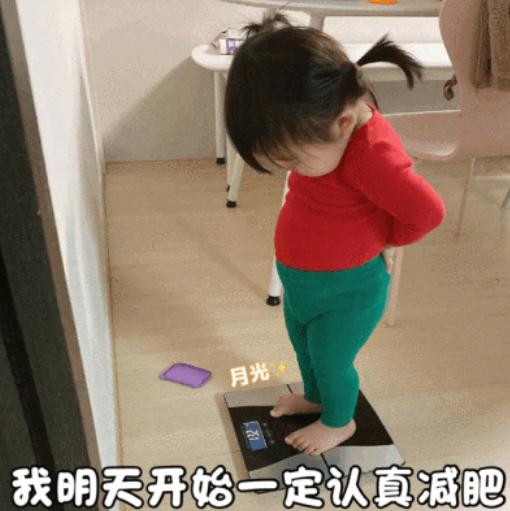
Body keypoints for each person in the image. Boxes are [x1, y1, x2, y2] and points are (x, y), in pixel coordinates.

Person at [224, 12, 446, 456]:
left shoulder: (372, 156)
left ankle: (339, 421)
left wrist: (387, 240)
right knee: (305, 346)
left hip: (349, 291)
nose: (288, 171)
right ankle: (315, 398)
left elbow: (428, 212)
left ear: (342, 124)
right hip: (304, 281)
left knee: (330, 359)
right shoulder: (331, 129)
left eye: (291, 161)